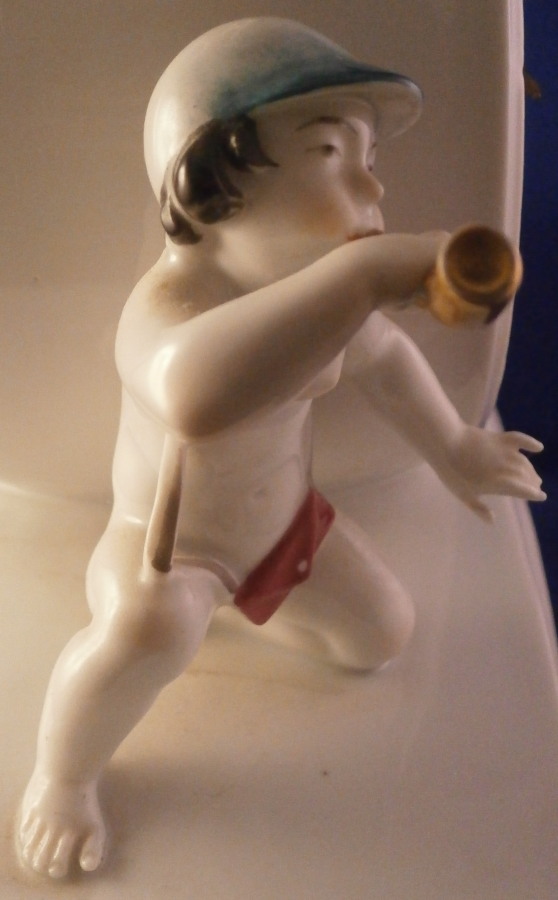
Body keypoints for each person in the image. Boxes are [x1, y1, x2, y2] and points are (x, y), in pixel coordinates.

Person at [17, 18, 544, 879]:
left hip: (277, 530)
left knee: (382, 635)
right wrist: (363, 276)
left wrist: (455, 446)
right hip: (166, 550)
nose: (372, 184)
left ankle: (237, 608)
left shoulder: (317, 304)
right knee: (151, 631)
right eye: (330, 152)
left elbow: (385, 362)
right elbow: (196, 396)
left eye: (370, 156)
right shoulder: (168, 306)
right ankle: (63, 779)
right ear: (205, 183)